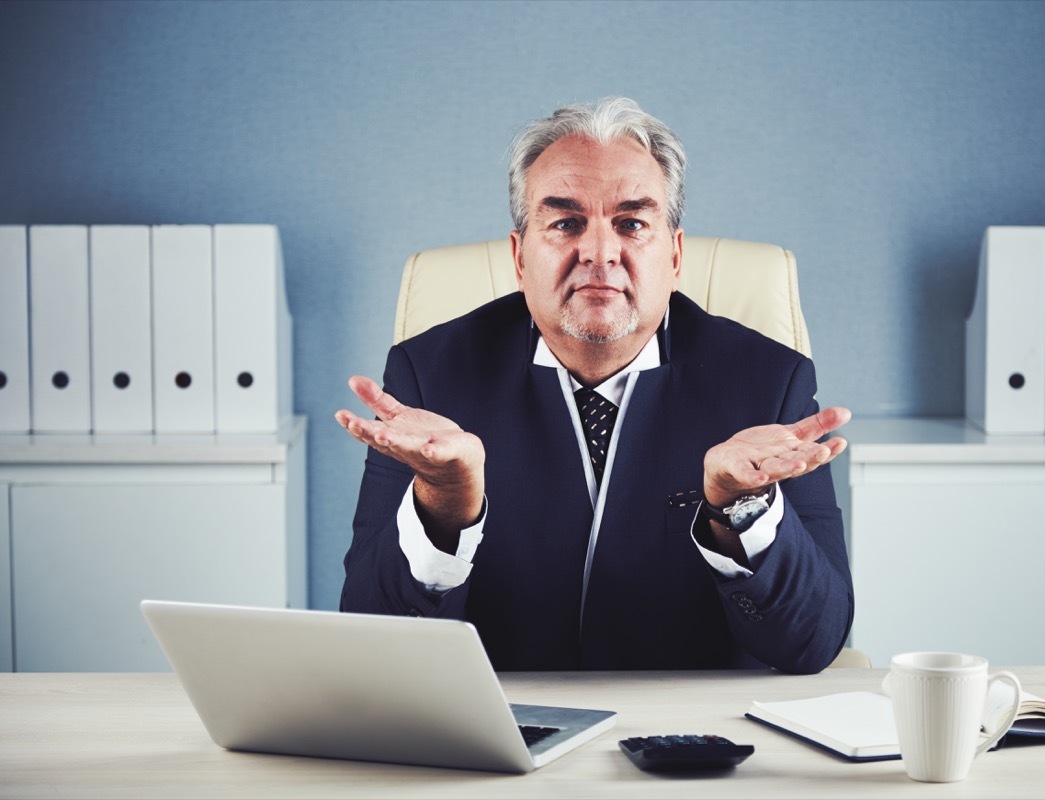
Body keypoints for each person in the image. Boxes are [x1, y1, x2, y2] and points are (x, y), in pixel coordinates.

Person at [336, 97, 853, 674]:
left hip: (696, 737)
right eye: (565, 223)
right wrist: (443, 504)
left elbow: (813, 644)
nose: (601, 253)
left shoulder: (767, 381)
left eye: (632, 224)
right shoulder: (428, 377)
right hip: (501, 726)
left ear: (676, 256)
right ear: (519, 256)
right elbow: (374, 642)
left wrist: (741, 509)